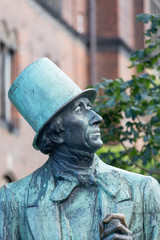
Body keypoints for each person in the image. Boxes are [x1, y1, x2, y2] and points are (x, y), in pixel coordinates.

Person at [0, 58, 160, 240]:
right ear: (56, 131)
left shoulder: (143, 191)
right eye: (79, 110)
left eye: (90, 107)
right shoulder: (14, 201)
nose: (97, 117)